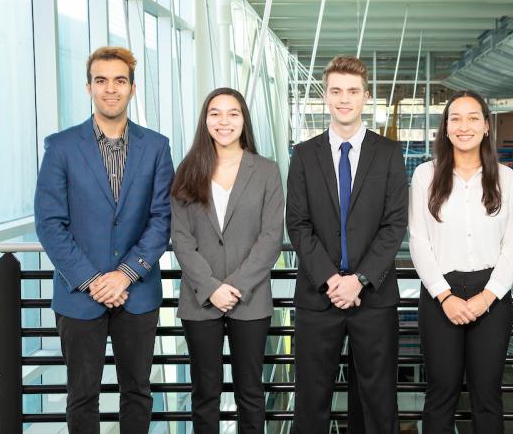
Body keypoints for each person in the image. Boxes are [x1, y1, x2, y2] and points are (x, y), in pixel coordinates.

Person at [34, 46, 174, 434]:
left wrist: (125, 274)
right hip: (80, 295)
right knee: (81, 396)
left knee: (138, 393)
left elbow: (163, 219)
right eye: (101, 81)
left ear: (132, 88)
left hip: (137, 293)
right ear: (89, 87)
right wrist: (95, 280)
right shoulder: (60, 146)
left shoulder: (157, 147)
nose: (110, 89)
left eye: (119, 80)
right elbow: (49, 222)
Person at [286, 55, 408, 433]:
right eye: (336, 91)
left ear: (365, 97)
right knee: (311, 401)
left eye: (352, 91)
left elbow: (394, 225)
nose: (344, 99)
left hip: (373, 298)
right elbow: (298, 224)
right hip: (316, 297)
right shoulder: (304, 155)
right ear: (326, 97)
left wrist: (360, 279)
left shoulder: (388, 154)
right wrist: (330, 279)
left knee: (377, 403)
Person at [409, 91, 513, 433]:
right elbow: (418, 241)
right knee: (441, 392)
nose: (464, 126)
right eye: (455, 118)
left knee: (488, 394)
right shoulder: (423, 176)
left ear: (486, 127)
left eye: (473, 117)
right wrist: (444, 296)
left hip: (491, 293)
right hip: (440, 294)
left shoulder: (505, 178)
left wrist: (487, 296)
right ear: (445, 128)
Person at [170, 87, 284, 433]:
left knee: (250, 391)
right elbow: (181, 239)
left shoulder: (266, 170)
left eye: (233, 113)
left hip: (249, 300)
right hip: (199, 300)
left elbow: (270, 238)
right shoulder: (188, 169)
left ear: (244, 120)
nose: (224, 121)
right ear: (205, 121)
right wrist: (210, 288)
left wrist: (233, 286)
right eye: (215, 113)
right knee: (205, 392)